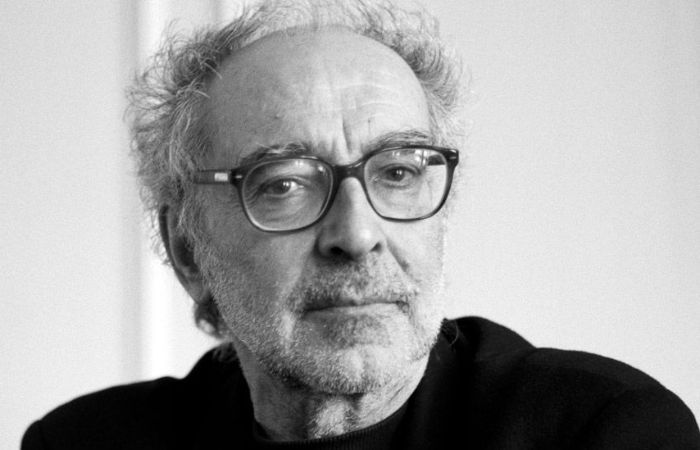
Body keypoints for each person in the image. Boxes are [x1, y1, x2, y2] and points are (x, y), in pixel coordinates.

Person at [22, 0, 700, 448]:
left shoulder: (602, 430)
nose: (358, 233)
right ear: (188, 250)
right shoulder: (86, 442)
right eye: (284, 185)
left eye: (397, 172)